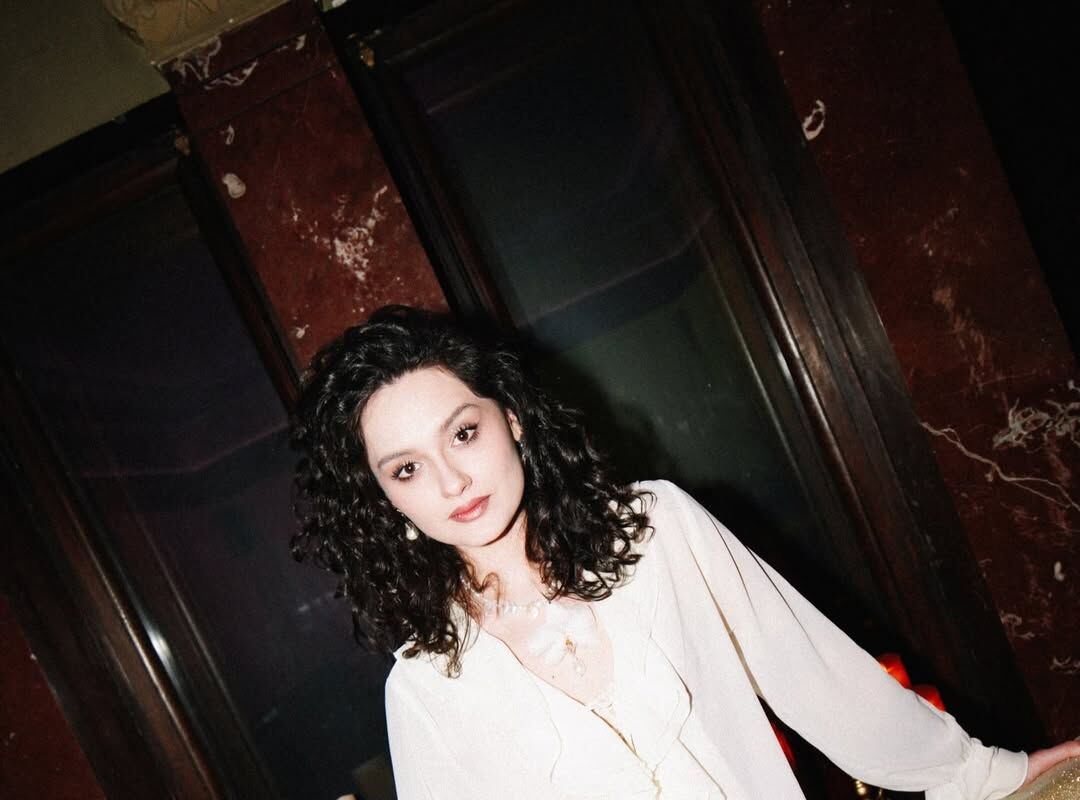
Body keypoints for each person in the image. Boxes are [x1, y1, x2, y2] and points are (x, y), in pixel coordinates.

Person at [291, 306, 1079, 800]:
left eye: (464, 432)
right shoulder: (427, 688)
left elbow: (817, 678)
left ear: (513, 420)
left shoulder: (657, 530)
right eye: (406, 469)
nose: (452, 480)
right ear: (384, 499)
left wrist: (986, 774)